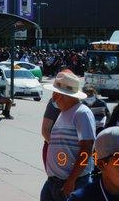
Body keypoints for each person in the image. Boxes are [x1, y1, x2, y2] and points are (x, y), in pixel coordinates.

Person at [41, 71, 96, 201]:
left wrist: (71, 180)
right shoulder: (64, 113)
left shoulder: (82, 114)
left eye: (56, 93)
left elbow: (87, 150)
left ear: (65, 95)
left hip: (71, 182)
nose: (53, 98)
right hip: (55, 181)